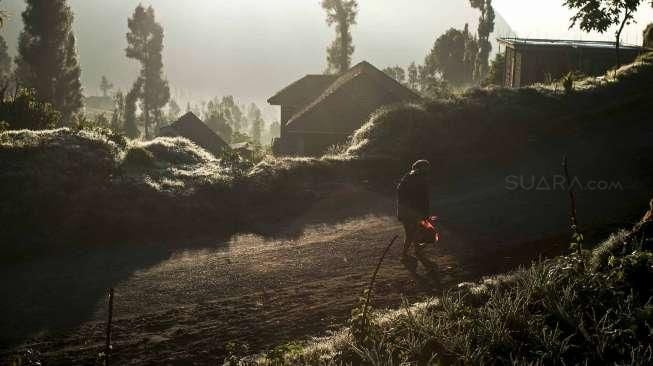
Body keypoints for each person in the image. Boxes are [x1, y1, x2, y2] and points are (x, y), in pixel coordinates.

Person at [396, 160, 431, 260]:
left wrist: (400, 211)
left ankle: (415, 249)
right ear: (422, 168)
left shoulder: (406, 177)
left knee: (413, 231)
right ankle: (404, 254)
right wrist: (425, 213)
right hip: (413, 211)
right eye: (426, 167)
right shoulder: (420, 179)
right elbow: (423, 198)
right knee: (411, 233)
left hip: (405, 210)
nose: (428, 170)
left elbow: (400, 195)